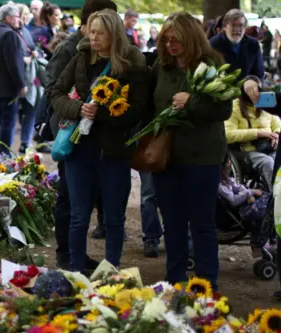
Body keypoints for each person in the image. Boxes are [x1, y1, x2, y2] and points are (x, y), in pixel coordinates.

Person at [47, 9, 146, 273]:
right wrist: (76, 109)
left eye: (100, 33)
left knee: (114, 218)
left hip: (114, 151)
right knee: (79, 217)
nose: (94, 37)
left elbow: (138, 109)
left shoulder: (131, 63)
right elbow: (55, 93)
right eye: (91, 31)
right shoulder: (81, 57)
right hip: (80, 151)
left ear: (113, 34)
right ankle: (77, 270)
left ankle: (111, 271)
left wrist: (104, 113)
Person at [150, 12, 231, 290]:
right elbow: (150, 103)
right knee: (172, 223)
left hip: (202, 158)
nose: (171, 45)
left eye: (177, 40)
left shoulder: (212, 64)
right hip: (167, 159)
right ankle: (175, 281)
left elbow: (224, 109)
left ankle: (206, 284)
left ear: (192, 39)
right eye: (167, 39)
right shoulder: (161, 67)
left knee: (202, 224)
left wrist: (192, 102)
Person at [225, 81, 281, 191]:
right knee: (268, 163)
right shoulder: (234, 107)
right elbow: (228, 134)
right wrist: (257, 133)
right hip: (247, 150)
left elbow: (277, 122)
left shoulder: (265, 103)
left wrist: (277, 134)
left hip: (269, 147)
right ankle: (274, 196)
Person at [0, 4, 26, 154]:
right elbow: (13, 63)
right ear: (8, 18)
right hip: (7, 87)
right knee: (7, 122)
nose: (19, 20)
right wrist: (21, 84)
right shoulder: (9, 35)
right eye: (17, 17)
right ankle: (4, 153)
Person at [210, 9, 264, 106]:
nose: (237, 29)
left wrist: (253, 81)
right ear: (225, 26)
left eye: (241, 25)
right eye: (233, 25)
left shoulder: (253, 44)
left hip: (247, 98)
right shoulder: (214, 44)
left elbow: (259, 73)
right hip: (222, 100)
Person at [16, 3, 41, 154]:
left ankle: (25, 141)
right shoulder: (13, 32)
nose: (27, 16)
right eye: (24, 13)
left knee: (31, 109)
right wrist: (24, 58)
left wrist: (35, 54)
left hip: (30, 78)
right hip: (18, 78)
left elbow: (31, 48)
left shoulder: (26, 31)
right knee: (20, 111)